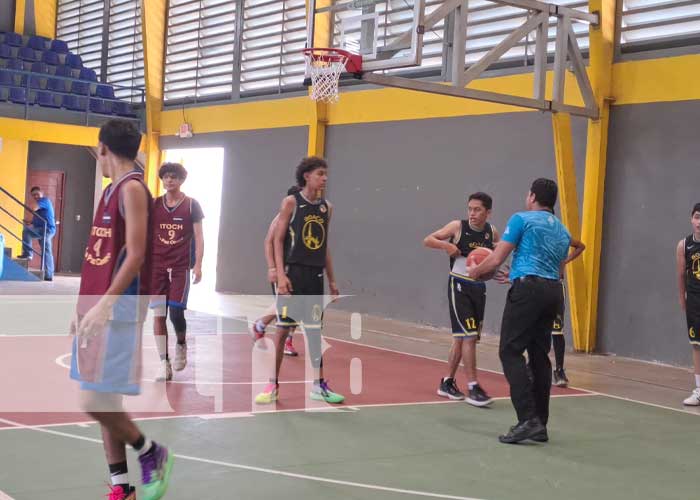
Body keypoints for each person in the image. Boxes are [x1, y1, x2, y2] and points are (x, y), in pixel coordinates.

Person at [70, 120, 173, 500]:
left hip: (119, 309)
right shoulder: (110, 191)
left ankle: (152, 452)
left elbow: (136, 253)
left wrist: (105, 305)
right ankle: (121, 488)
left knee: (93, 401)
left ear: (102, 149)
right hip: (97, 307)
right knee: (105, 400)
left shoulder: (132, 190)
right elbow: (98, 257)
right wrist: (82, 306)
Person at [469, 178, 582, 444]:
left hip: (528, 290)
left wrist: (475, 270)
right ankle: (540, 423)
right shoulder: (562, 230)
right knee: (540, 355)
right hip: (553, 291)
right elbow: (545, 261)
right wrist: (520, 272)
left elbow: (496, 258)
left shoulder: (522, 219)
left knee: (509, 351)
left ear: (532, 196)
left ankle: (527, 419)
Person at [254, 157, 344, 405]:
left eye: (326, 174)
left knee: (315, 333)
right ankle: (272, 384)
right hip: (293, 275)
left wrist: (332, 279)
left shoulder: (327, 207)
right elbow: (277, 240)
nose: (325, 178)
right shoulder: (291, 202)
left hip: (315, 277)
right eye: (320, 174)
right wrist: (280, 274)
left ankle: (319, 385)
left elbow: (324, 246)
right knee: (283, 330)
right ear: (307, 176)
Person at [423, 192, 498, 407]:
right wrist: (446, 246)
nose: (472, 213)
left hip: (478, 287)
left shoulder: (491, 232)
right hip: (459, 285)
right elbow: (428, 239)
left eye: (478, 210)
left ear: (488, 212)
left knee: (461, 338)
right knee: (469, 336)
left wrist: (497, 271)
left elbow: (499, 253)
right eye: (470, 209)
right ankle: (473, 386)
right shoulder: (457, 227)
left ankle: (447, 382)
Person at [150, 162, 204, 381]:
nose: (169, 180)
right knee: (158, 314)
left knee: (175, 313)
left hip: (180, 267)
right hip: (156, 266)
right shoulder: (154, 205)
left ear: (182, 180)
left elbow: (199, 237)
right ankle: (164, 362)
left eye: (174, 177)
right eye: (165, 177)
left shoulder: (191, 205)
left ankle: (181, 343)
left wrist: (198, 264)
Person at [250, 185, 301, 357]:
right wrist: (272, 267)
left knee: (298, 305)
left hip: (300, 268)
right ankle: (263, 327)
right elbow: (268, 242)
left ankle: (263, 327)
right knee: (286, 304)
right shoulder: (281, 217)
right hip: (283, 268)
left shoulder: (307, 217)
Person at [677, 202, 700, 406]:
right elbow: (681, 274)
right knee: (697, 345)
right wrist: (681, 297)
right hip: (694, 301)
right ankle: (699, 390)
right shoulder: (684, 245)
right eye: (697, 217)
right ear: (691, 219)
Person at [18, 186, 56, 281]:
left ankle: (49, 274)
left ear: (41, 193)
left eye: (37, 194)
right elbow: (39, 216)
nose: (36, 196)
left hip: (47, 230)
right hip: (40, 229)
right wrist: (30, 222)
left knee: (46, 251)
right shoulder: (40, 203)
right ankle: (28, 254)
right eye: (34, 195)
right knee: (27, 232)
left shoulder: (44, 200)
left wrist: (31, 205)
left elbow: (33, 208)